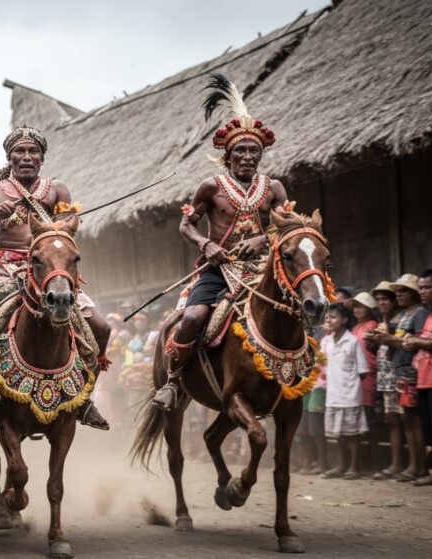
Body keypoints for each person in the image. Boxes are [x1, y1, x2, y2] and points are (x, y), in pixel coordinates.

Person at [0, 126, 110, 429]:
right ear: (10, 156)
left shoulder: (57, 190)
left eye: (33, 152)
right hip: (3, 268)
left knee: (101, 326)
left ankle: (83, 398)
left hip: (48, 268)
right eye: (20, 151)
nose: (26, 157)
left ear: (41, 158)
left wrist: (57, 227)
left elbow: (69, 226)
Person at [152, 74, 288, 411]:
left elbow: (287, 227)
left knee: (298, 310)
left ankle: (294, 377)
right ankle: (172, 380)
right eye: (240, 150)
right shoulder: (210, 186)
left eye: (253, 151)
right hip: (219, 269)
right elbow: (186, 224)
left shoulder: (274, 189)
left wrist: (263, 237)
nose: (247, 156)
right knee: (193, 318)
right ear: (227, 155)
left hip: (262, 269)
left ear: (261, 155)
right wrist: (206, 245)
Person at [367, 274, 429, 481]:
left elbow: (419, 341)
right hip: (397, 368)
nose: (399, 295)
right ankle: (409, 465)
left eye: (403, 292)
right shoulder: (402, 315)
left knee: (411, 420)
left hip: (410, 371)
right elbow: (396, 344)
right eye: (398, 292)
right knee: (401, 419)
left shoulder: (419, 313)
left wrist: (389, 339)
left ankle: (417, 466)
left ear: (412, 294)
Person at [403, 269, 432, 486]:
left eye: (427, 287)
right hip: (426, 377)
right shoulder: (430, 314)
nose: (423, 292)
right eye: (421, 288)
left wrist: (416, 342)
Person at [320, 304, 369, 479]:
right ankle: (340, 466)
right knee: (337, 435)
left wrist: (349, 386)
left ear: (344, 320)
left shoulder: (353, 341)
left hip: (349, 394)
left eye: (333, 317)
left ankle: (354, 467)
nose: (328, 320)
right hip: (333, 393)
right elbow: (322, 366)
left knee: (352, 434)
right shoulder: (326, 342)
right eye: (327, 317)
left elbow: (362, 371)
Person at [368, 281, 403, 479]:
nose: (381, 303)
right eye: (379, 300)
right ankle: (395, 463)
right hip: (385, 375)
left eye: (385, 299)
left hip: (397, 373)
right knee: (391, 420)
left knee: (404, 420)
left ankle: (403, 464)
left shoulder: (399, 319)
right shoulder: (384, 320)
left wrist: (385, 337)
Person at [350, 291, 382, 473]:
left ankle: (375, 462)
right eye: (355, 306)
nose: (357, 309)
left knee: (370, 419)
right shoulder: (356, 328)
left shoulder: (372, 325)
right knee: (359, 420)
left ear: (369, 308)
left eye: (360, 306)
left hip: (368, 375)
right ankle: (363, 462)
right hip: (355, 378)